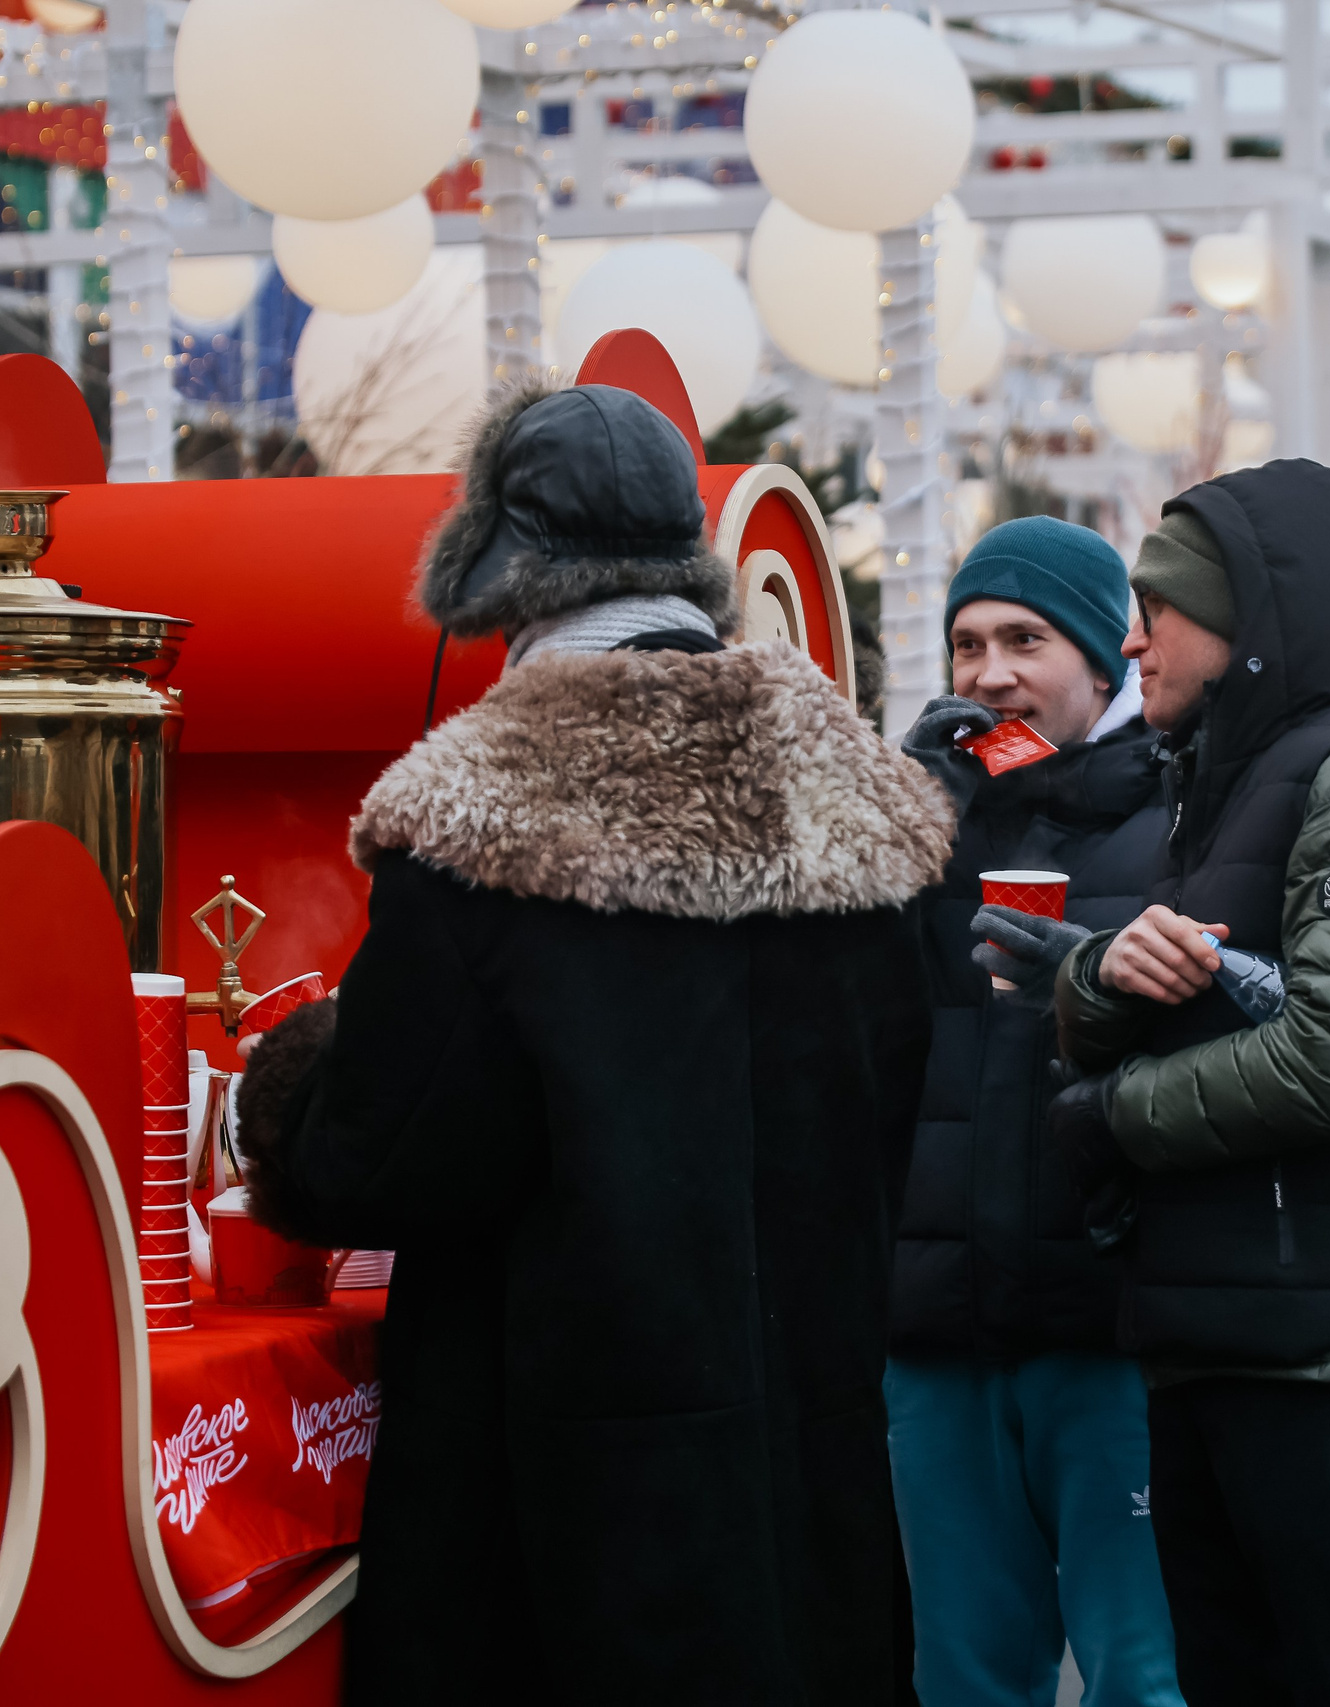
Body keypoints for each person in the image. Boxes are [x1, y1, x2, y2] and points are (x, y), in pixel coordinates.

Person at [229, 382, 954, 1701]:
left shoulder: (481, 821)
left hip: (565, 1499)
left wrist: (277, 1091)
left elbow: (372, 1154)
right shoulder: (867, 808)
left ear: (500, 574)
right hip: (815, 1459)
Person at [1047, 461, 1330, 1703]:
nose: (1132, 636)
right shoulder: (1238, 780)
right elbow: (1200, 992)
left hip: (1328, 1350)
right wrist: (1093, 981)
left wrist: (1112, 1120)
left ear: (1255, 618)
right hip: (1234, 1331)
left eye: (1163, 604)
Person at [887, 516, 1183, 1707]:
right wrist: (898, 809)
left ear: (1106, 662)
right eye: (967, 644)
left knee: (1141, 1675)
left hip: (1106, 1320)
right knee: (961, 1676)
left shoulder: (1176, 818)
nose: (991, 673)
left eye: (1026, 637)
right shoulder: (929, 817)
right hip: (939, 1323)